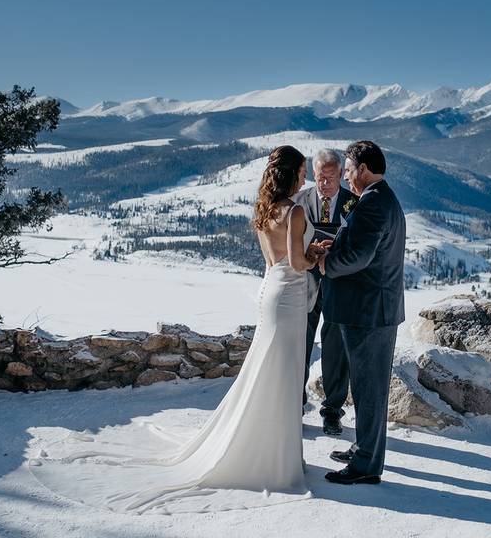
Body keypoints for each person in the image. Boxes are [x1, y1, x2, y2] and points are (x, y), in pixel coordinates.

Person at [26, 145, 327, 514]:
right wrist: (318, 254)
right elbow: (297, 262)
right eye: (301, 171)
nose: (304, 177)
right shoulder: (295, 211)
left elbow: (273, 259)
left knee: (267, 370)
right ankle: (277, 459)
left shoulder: (265, 209)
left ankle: (270, 451)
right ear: (291, 174)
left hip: (270, 290)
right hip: (289, 294)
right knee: (283, 371)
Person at [319, 141, 406, 485]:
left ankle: (367, 465)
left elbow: (360, 258)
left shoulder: (373, 203)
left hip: (368, 312)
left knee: (370, 391)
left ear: (365, 169)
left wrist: (328, 263)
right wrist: (336, 244)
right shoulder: (381, 199)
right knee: (367, 387)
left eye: (350, 170)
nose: (348, 176)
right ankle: (363, 449)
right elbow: (362, 246)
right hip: (372, 310)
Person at [293, 148, 356, 436]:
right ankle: (295, 406)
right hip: (305, 284)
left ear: (341, 175)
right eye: (319, 178)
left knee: (335, 350)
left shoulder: (353, 204)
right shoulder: (301, 202)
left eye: (330, 178)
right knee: (300, 346)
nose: (324, 184)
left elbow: (358, 245)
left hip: (339, 285)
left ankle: (332, 411)